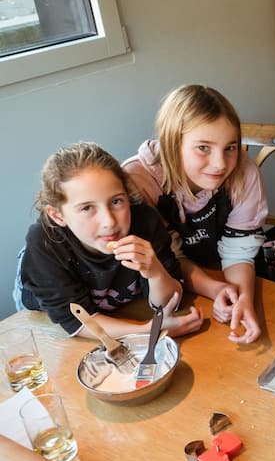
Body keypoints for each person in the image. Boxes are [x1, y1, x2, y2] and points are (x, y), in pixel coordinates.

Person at [124, 84, 266, 343]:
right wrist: (214, 289)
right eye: (203, 147)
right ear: (171, 144)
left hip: (226, 272)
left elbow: (238, 251)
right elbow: (168, 258)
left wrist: (241, 297)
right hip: (169, 293)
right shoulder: (138, 182)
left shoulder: (244, 174)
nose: (220, 163)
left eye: (230, 147)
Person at [17, 142, 204, 338]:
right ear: (57, 216)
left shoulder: (145, 222)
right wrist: (146, 332)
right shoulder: (44, 243)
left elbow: (166, 304)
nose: (109, 222)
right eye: (87, 208)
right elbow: (77, 321)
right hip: (46, 302)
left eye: (116, 201)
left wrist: (155, 272)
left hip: (111, 299)